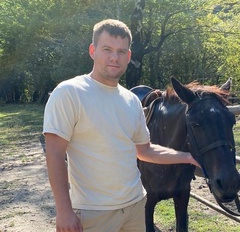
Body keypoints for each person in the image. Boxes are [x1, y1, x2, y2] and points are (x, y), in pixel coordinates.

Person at [43, 19, 200, 232]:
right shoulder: (70, 93)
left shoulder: (131, 100)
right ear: (92, 50)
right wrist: (64, 210)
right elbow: (54, 154)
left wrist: (187, 157)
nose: (114, 57)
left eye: (121, 51)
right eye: (107, 49)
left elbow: (144, 150)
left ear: (129, 56)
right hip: (94, 213)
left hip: (135, 208)